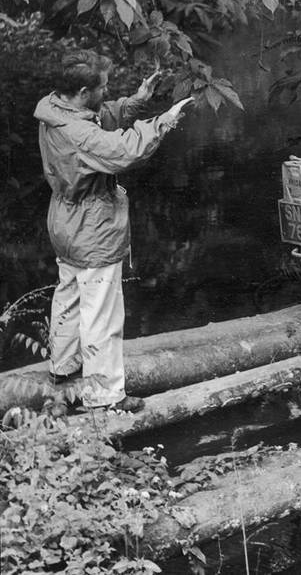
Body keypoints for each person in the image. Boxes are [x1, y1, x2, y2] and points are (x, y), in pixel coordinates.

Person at [34, 50, 194, 412]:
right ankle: (103, 397)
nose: (106, 92)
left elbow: (100, 117)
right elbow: (123, 150)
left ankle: (63, 372)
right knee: (102, 313)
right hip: (93, 225)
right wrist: (164, 120)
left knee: (70, 297)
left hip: (65, 219)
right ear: (82, 90)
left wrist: (138, 101)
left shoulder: (54, 108)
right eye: (102, 87)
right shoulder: (78, 134)